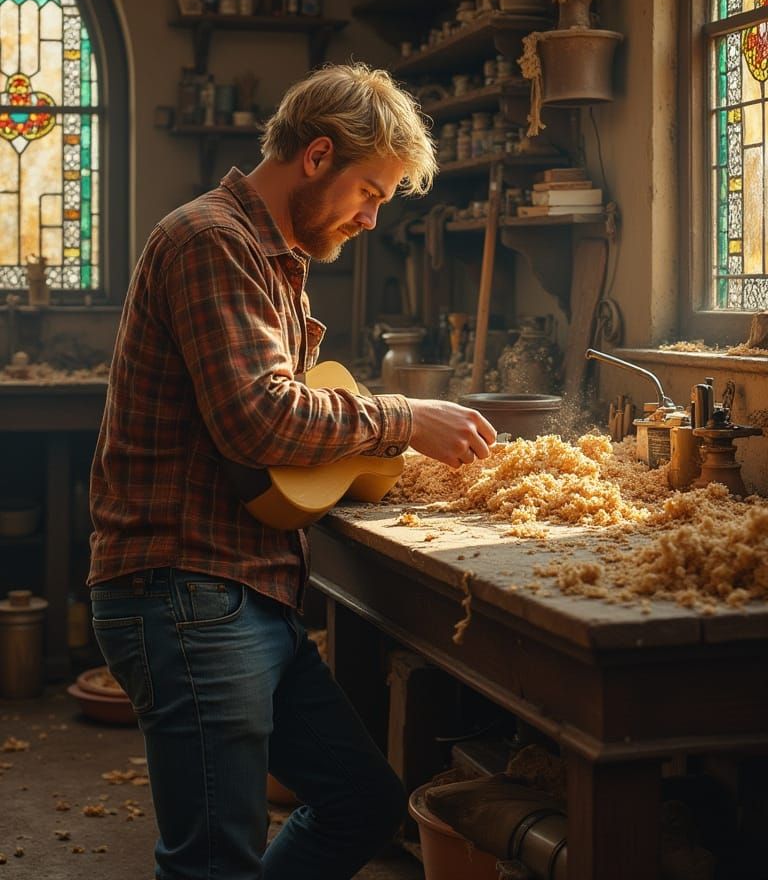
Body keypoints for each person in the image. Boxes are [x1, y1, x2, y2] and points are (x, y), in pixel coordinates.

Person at [88, 62, 496, 880]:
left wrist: (367, 449)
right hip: (185, 588)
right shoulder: (211, 241)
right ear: (317, 156)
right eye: (370, 192)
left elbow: (283, 423)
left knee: (362, 805)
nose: (371, 218)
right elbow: (261, 418)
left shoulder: (273, 260)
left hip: (248, 585)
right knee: (212, 863)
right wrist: (407, 419)